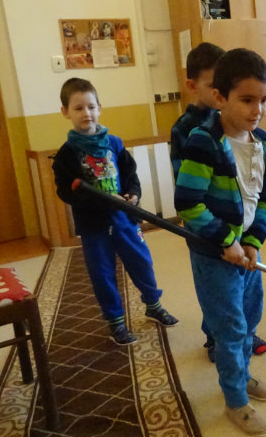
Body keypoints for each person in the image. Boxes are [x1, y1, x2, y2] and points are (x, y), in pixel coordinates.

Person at [174, 48, 266, 436]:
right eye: (247, 100)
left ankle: (243, 375)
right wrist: (225, 240)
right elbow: (188, 202)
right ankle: (236, 400)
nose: (258, 110)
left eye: (264, 100)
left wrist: (253, 241)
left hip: (247, 253)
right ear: (220, 97)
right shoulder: (203, 142)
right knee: (230, 328)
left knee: (250, 317)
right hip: (213, 255)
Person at [53, 77, 178, 345]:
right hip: (93, 225)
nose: (86, 113)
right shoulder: (66, 154)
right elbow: (65, 191)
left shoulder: (115, 144)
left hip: (124, 219)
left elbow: (131, 175)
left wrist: (133, 195)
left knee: (141, 261)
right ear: (65, 112)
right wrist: (94, 198)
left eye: (91, 107)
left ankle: (153, 305)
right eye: (78, 108)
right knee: (102, 273)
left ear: (99, 108)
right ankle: (116, 321)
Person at [169, 42, 266, 360]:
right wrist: (215, 230)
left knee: (239, 292)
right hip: (208, 225)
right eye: (214, 84)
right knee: (215, 289)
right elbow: (187, 189)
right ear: (194, 86)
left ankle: (236, 331)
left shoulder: (238, 124)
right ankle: (217, 334)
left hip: (236, 223)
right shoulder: (189, 130)